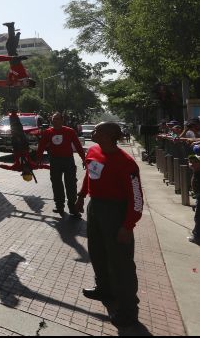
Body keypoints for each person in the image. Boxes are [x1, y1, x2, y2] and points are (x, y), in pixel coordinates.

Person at [75, 122, 143, 327]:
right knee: (97, 252)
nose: (93, 132)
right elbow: (90, 174)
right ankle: (104, 288)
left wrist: (128, 225)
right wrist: (81, 196)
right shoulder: (94, 151)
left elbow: (137, 198)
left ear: (109, 136)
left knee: (121, 263)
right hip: (95, 207)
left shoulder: (127, 163)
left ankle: (128, 309)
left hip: (116, 213)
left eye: (98, 130)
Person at [36, 112, 87, 216]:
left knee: (71, 184)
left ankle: (73, 207)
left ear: (62, 120)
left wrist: (84, 159)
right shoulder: (48, 132)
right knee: (56, 184)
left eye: (57, 119)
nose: (55, 121)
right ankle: (59, 206)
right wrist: (38, 158)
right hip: (55, 161)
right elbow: (41, 146)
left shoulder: (69, 131)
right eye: (53, 119)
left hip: (68, 161)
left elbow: (78, 146)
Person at [0, 111, 50, 181]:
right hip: (24, 146)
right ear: (30, 171)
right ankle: (14, 114)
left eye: (24, 172)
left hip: (16, 148)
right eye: (27, 172)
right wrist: (53, 168)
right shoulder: (33, 166)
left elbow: (7, 167)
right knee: (20, 130)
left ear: (22, 172)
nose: (25, 170)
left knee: (14, 130)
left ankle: (12, 115)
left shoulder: (17, 167)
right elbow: (43, 166)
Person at [188, 154, 200, 245]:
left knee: (198, 218)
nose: (191, 164)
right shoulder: (196, 171)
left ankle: (196, 237)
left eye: (194, 162)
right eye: (191, 162)